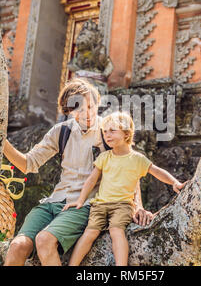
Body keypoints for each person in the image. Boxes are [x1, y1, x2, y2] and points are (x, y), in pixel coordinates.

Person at [2, 78, 153, 266]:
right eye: (79, 109)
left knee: (44, 240)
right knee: (17, 245)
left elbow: (128, 168)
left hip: (84, 205)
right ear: (70, 110)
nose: (87, 113)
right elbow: (28, 163)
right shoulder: (61, 132)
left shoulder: (108, 132)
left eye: (91, 106)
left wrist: (137, 205)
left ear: (98, 103)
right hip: (54, 201)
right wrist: (1, 141)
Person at [63, 111, 187, 266]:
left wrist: (175, 182)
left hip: (122, 205)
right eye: (105, 131)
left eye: (112, 131)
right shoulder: (104, 157)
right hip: (100, 205)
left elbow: (157, 171)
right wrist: (80, 201)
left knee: (116, 231)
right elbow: (91, 180)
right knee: (90, 233)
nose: (107, 135)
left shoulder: (137, 159)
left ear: (127, 134)